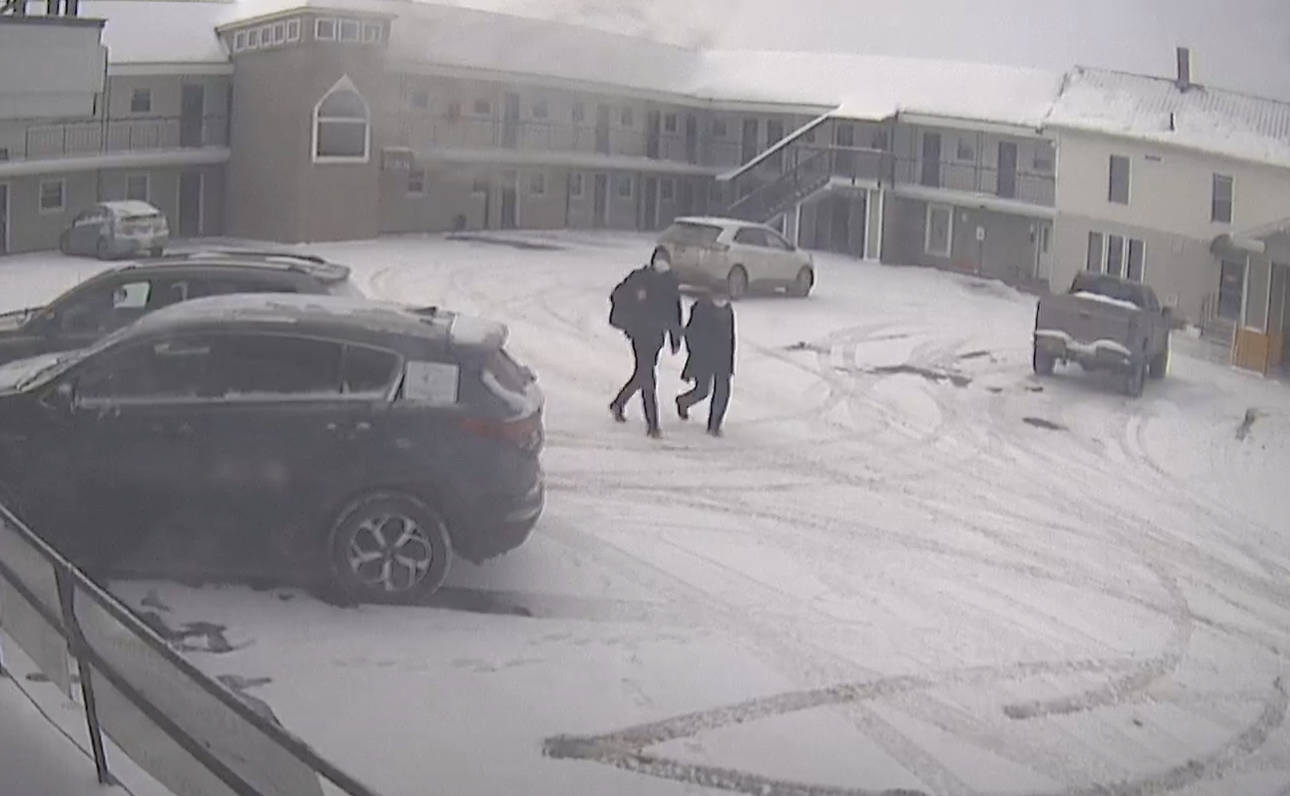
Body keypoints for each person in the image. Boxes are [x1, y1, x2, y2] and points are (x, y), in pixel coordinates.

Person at [607, 258, 683, 438]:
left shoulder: (670, 283)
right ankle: (653, 424)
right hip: (640, 334)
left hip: (657, 337)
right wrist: (635, 295)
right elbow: (617, 294)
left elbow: (675, 312)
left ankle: (618, 403)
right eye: (659, 259)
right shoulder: (640, 277)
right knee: (648, 376)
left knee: (642, 374)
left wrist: (675, 337)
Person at [676, 287, 735, 437]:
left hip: (722, 358)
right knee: (702, 391)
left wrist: (730, 362)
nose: (722, 301)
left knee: (723, 391)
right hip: (703, 357)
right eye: (719, 297)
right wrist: (696, 354)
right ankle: (683, 402)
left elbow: (731, 338)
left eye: (724, 298)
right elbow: (691, 334)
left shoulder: (728, 311)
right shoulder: (701, 309)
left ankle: (714, 425)